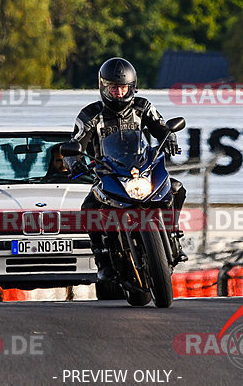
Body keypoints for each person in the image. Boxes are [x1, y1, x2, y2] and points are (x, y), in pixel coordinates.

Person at [65, 57, 188, 282]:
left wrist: (169, 137)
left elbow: (162, 128)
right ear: (103, 87)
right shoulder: (90, 115)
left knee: (177, 188)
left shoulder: (143, 107)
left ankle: (174, 233)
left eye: (123, 88)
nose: (119, 93)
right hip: (107, 173)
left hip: (142, 169)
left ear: (132, 87)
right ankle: (102, 258)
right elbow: (76, 143)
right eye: (114, 88)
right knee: (89, 208)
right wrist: (75, 162)